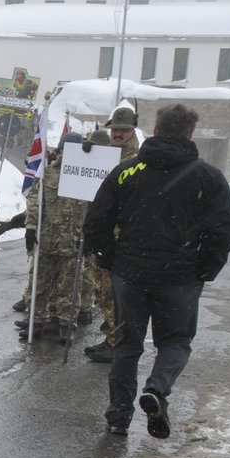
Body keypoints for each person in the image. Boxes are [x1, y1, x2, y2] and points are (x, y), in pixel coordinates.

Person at [84, 103, 230, 438]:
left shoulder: (126, 172)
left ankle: (118, 417)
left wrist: (110, 259)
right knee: (176, 341)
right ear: (190, 134)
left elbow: (96, 220)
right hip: (180, 277)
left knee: (127, 344)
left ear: (154, 131)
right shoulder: (208, 178)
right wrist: (205, 268)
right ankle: (157, 387)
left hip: (130, 273)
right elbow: (223, 229)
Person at [15, 131, 88, 345]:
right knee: (39, 285)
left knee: (69, 289)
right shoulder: (48, 174)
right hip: (46, 240)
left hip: (72, 243)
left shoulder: (86, 178)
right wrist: (30, 228)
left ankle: (66, 326)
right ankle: (35, 323)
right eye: (65, 150)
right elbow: (35, 203)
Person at [84, 105, 142, 363]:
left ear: (132, 131)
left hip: (121, 236)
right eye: (115, 129)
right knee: (101, 288)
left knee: (112, 290)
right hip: (102, 231)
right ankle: (111, 335)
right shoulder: (105, 154)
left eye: (123, 130)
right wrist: (85, 154)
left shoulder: (138, 159)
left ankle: (116, 341)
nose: (118, 134)